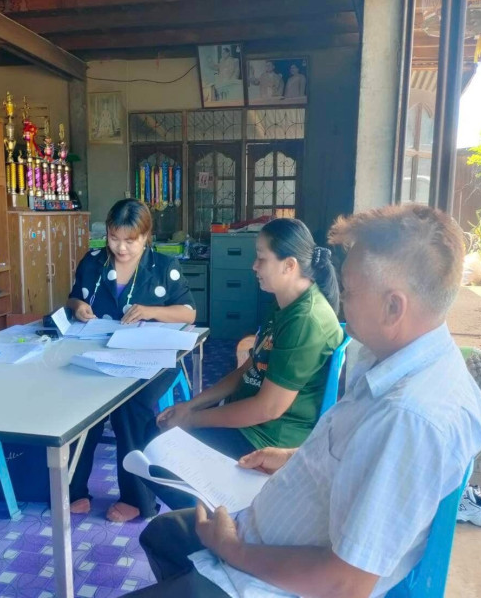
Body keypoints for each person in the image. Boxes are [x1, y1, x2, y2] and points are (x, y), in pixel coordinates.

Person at [128, 204, 481, 598]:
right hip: (270, 527)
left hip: (263, 582)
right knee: (162, 533)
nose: (341, 301)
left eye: (350, 291)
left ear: (394, 307)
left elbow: (345, 583)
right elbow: (358, 453)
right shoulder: (400, 363)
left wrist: (231, 549)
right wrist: (293, 457)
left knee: (173, 528)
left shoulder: (409, 417)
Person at [146, 217, 343, 511]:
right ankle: (207, 515)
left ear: (289, 265)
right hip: (253, 425)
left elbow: (267, 408)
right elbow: (248, 370)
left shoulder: (305, 320)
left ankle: (217, 517)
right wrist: (191, 406)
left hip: (266, 439)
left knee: (154, 450)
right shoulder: (286, 304)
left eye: (262, 258)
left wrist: (192, 420)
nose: (254, 266)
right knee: (155, 431)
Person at [65, 199, 196, 521]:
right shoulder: (93, 262)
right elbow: (74, 297)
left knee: (130, 407)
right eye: (114, 238)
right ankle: (73, 490)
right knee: (80, 402)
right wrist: (77, 307)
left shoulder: (164, 267)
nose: (120, 248)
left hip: (152, 357)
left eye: (130, 240)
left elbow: (188, 313)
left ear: (146, 236)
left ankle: (138, 499)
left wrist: (151, 311)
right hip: (99, 353)